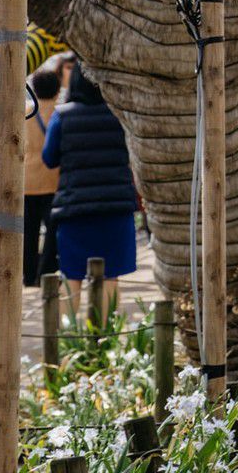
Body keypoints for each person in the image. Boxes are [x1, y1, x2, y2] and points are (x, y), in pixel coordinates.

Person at [41, 66, 138, 315]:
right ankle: (103, 340)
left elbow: (49, 158)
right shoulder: (121, 115)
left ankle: (67, 343)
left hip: (75, 208)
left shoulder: (62, 116)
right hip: (115, 206)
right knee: (110, 275)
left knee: (71, 274)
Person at [24, 67, 62, 286]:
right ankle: (46, 273)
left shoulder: (25, 113)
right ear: (57, 90)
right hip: (54, 180)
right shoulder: (60, 113)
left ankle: (28, 275)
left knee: (28, 232)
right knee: (53, 231)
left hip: (27, 181)